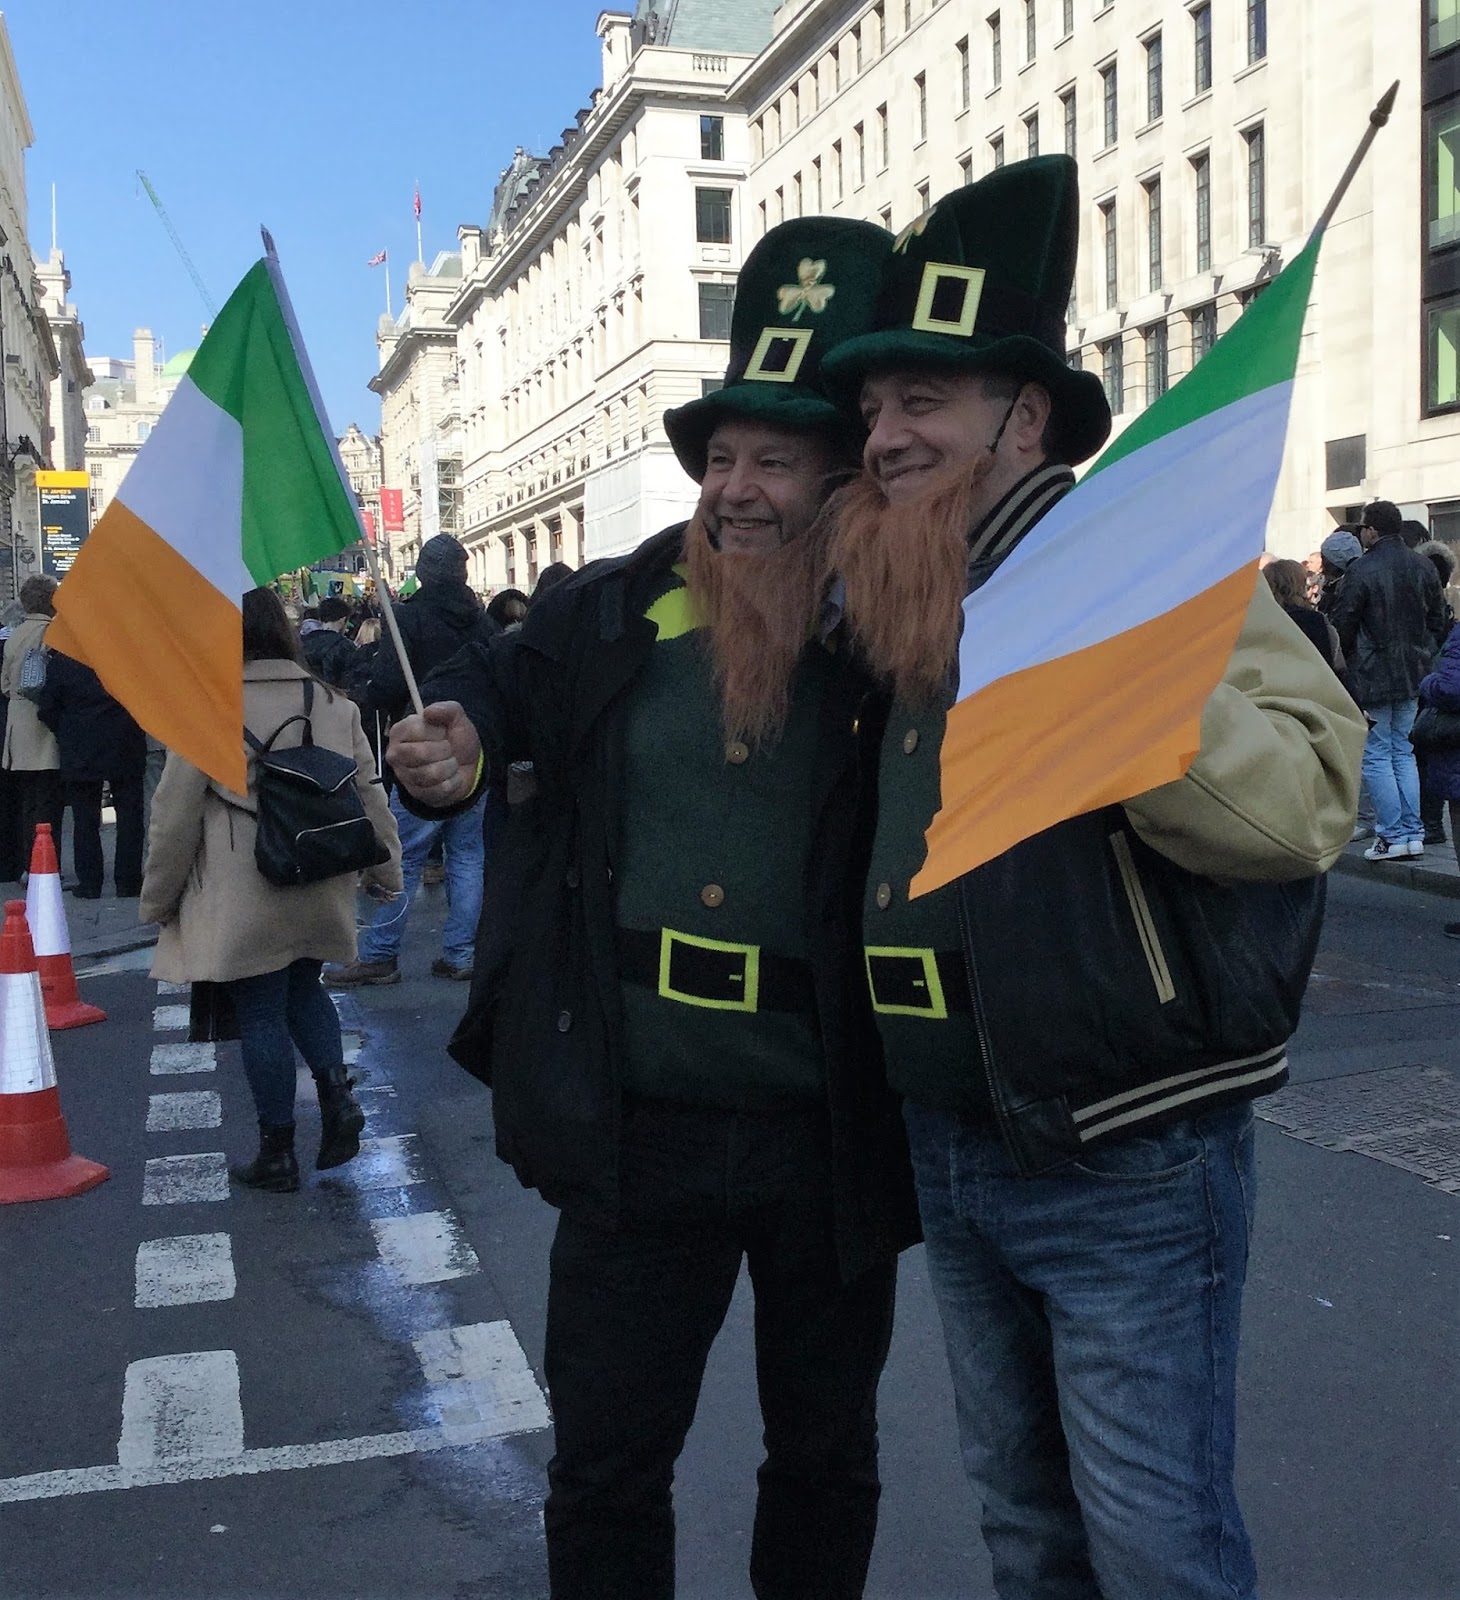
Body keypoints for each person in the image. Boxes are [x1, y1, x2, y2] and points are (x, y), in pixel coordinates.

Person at [817, 158, 1366, 1600]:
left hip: (1123, 1149)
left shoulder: (1143, 561)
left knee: (1154, 1545)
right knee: (1026, 1530)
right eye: (873, 408)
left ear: (1027, 416)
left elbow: (1307, 804)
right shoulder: (894, 590)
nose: (879, 437)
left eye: (921, 401)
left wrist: (1102, 658)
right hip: (953, 1136)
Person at [385, 217, 918, 1600]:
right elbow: (494, 701)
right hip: (641, 1125)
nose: (737, 490)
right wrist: (445, 757)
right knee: (607, 1467)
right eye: (722, 458)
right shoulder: (613, 611)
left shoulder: (897, 640)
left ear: (842, 478)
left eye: (776, 461)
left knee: (826, 1456)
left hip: (826, 1124)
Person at [140, 588, 402, 1191]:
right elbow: (368, 793)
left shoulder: (207, 707)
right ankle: (338, 1100)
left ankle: (277, 1152)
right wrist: (386, 872)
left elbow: (173, 817)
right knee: (306, 989)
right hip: (321, 871)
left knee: (260, 1008)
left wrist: (158, 899)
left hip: (244, 883)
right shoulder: (334, 703)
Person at [326, 534, 498, 986]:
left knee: (401, 855)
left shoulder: (411, 617)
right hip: (473, 753)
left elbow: (386, 685)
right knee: (468, 856)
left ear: (424, 571)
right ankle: (461, 953)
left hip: (423, 752)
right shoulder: (481, 621)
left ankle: (380, 954)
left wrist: (358, 698)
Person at [1330, 499, 1449, 862]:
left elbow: (1344, 625)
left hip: (1374, 674)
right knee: (1404, 752)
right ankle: (1412, 833)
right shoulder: (1423, 565)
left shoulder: (1362, 570)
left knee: (1378, 755)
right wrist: (1423, 652)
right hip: (1414, 671)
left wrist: (1349, 663)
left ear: (1371, 530)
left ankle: (1392, 835)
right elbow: (1438, 618)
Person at [35, 650, 147, 898]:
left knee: (85, 819)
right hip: (124, 741)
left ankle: (90, 882)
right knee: (130, 817)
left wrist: (66, 731)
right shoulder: (125, 655)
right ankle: (128, 881)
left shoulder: (63, 660)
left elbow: (46, 708)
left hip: (81, 745)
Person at [0, 575, 63, 860]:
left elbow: (4, 684)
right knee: (48, 799)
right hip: (43, 723)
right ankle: (46, 861)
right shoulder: (51, 632)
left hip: (17, 722)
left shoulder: (14, 634)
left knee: (26, 799)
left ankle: (28, 860)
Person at [1415, 540, 1458, 845]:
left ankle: (1430, 823)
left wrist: (1428, 682)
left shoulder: (1417, 603)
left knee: (1424, 751)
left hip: (1426, 679)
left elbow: (1450, 687)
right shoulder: (1447, 610)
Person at [1262, 558, 1344, 674]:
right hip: (1310, 685)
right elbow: (1334, 661)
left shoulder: (1260, 618)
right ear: (1300, 585)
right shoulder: (1314, 621)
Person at [299, 595, 357, 689]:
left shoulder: (302, 641)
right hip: (333, 696)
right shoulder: (345, 646)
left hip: (305, 694)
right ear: (343, 619)